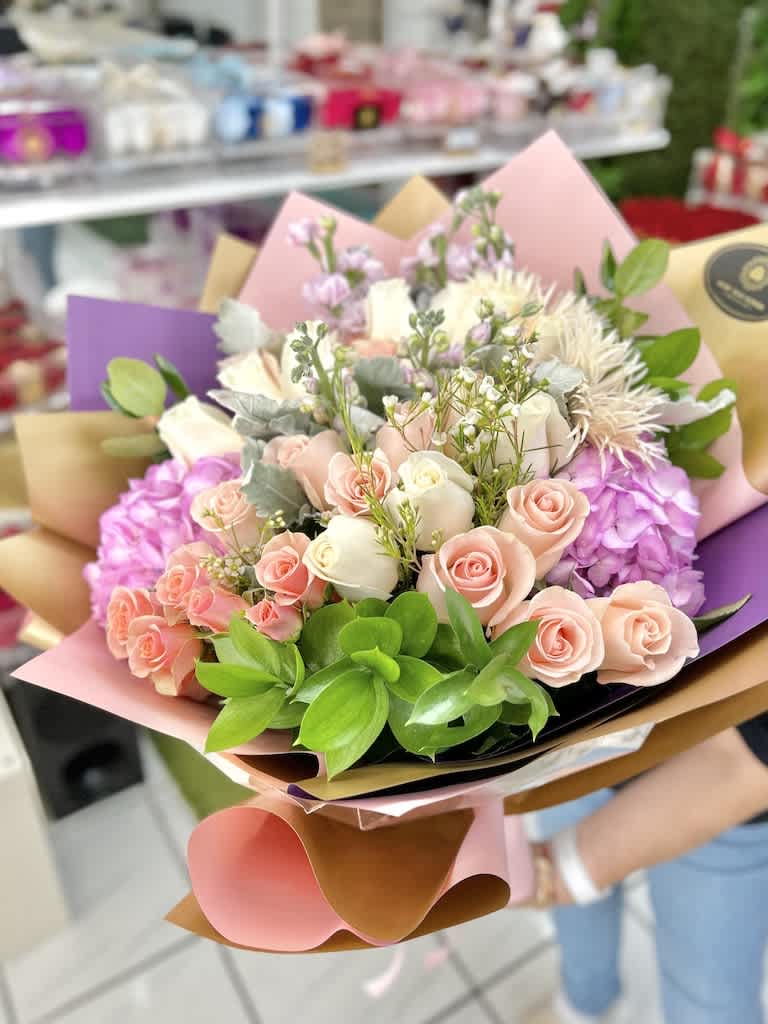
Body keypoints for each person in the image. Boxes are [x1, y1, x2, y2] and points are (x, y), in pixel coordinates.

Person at [527, 714, 768, 1024]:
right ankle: (581, 1004)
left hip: (727, 783)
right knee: (577, 925)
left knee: (707, 996)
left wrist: (566, 871)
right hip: (574, 736)